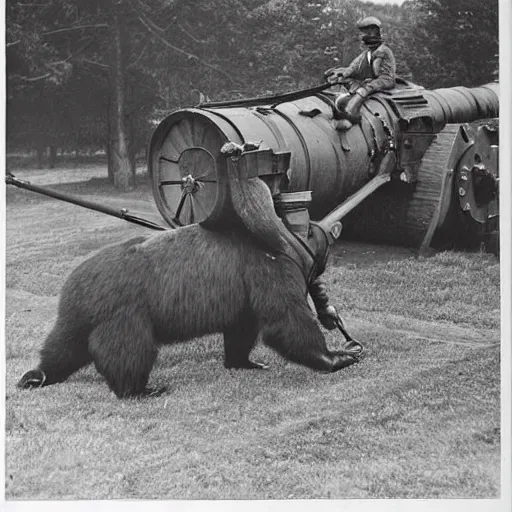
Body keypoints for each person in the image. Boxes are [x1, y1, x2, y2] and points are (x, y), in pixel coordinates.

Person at [324, 16, 396, 127]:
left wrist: (355, 74)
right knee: (344, 79)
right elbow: (353, 67)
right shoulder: (367, 53)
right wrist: (339, 73)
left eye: (370, 32)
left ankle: (350, 111)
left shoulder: (382, 51)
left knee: (365, 89)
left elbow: (377, 72)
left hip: (385, 79)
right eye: (365, 32)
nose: (366, 35)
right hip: (373, 80)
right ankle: (350, 96)